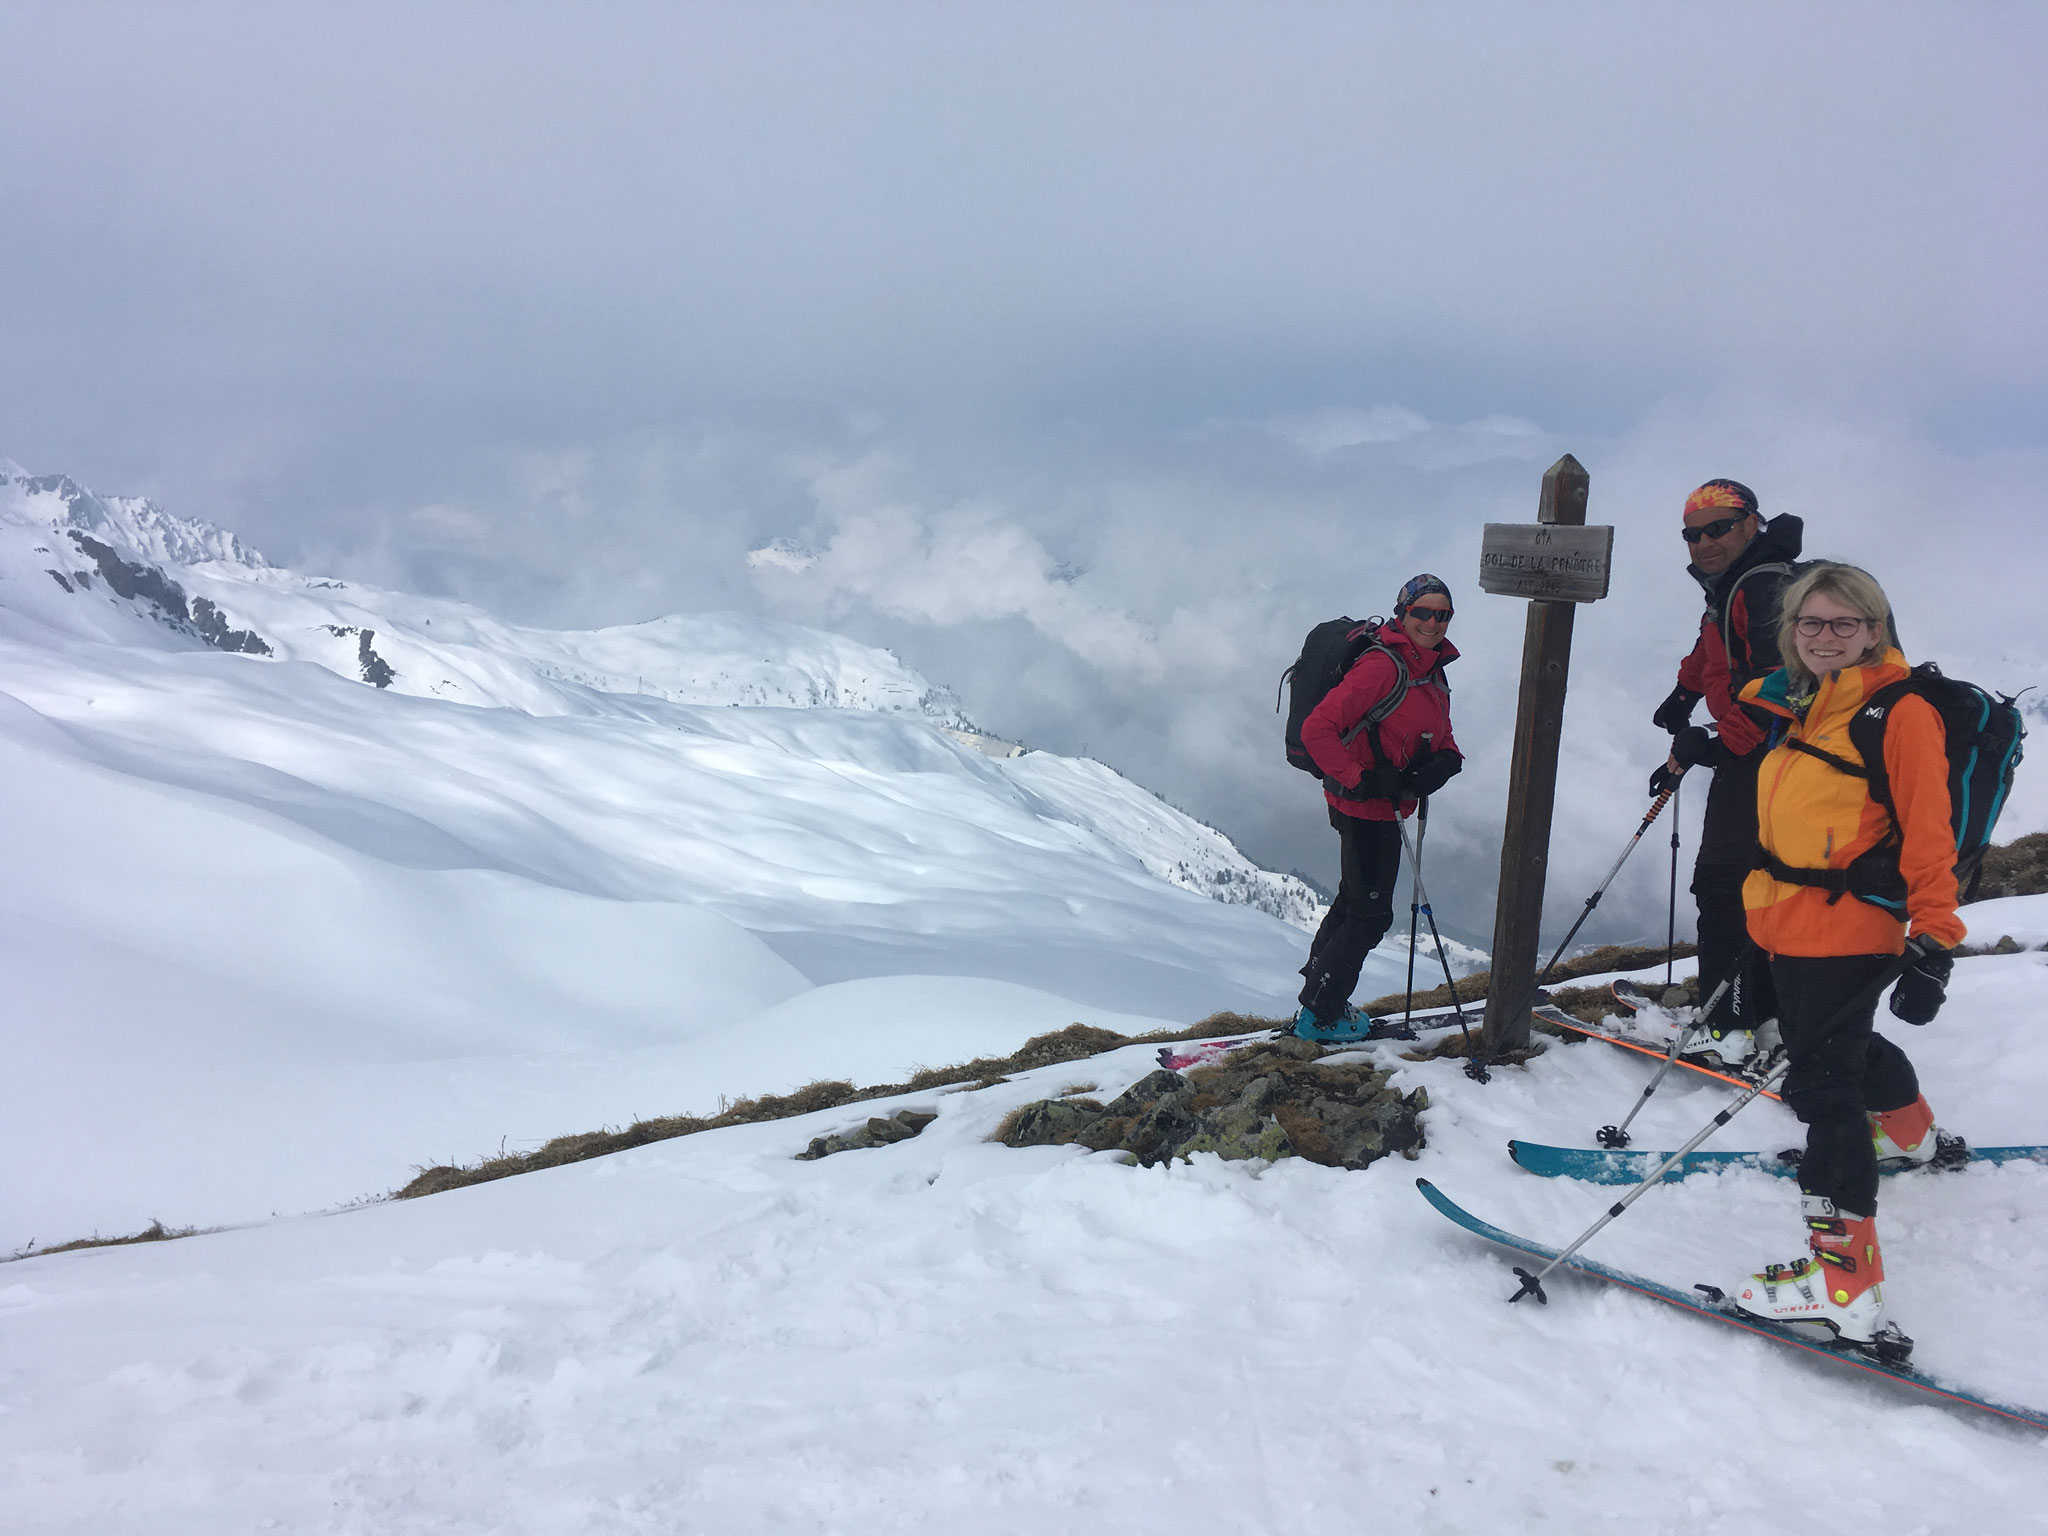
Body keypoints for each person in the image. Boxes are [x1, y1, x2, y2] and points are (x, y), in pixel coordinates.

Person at [1726, 562, 1961, 1346]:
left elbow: (1931, 836)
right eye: (1811, 623)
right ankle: (1908, 1130)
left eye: (1845, 624)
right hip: (1792, 922)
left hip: (1847, 927)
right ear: (1793, 631)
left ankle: (1844, 1287)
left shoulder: (1898, 714)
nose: (1826, 637)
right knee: (1835, 1045)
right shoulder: (1809, 706)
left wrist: (1935, 941)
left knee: (1824, 1096)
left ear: (1876, 629)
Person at [1649, 479, 1803, 1068]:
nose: (1704, 541)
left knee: (1723, 885)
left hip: (1766, 756)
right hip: (1769, 755)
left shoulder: (1763, 589)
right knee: (1754, 883)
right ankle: (1762, 1011)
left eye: (1718, 527)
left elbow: (1784, 684)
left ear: (1751, 523)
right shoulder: (1738, 582)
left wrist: (1720, 743)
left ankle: (1723, 1026)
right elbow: (1712, 647)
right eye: (1693, 532)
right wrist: (1683, 695)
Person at [1293, 574, 1465, 1042]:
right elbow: (1317, 730)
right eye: (1422, 612)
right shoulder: (1383, 667)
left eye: (1442, 614)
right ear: (1402, 612)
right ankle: (1321, 1016)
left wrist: (1446, 762)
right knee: (1370, 914)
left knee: (1355, 901)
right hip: (1364, 808)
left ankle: (1316, 995)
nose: (1433, 622)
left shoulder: (1430, 669)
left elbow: (1441, 734)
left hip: (1385, 804)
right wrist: (1362, 779)